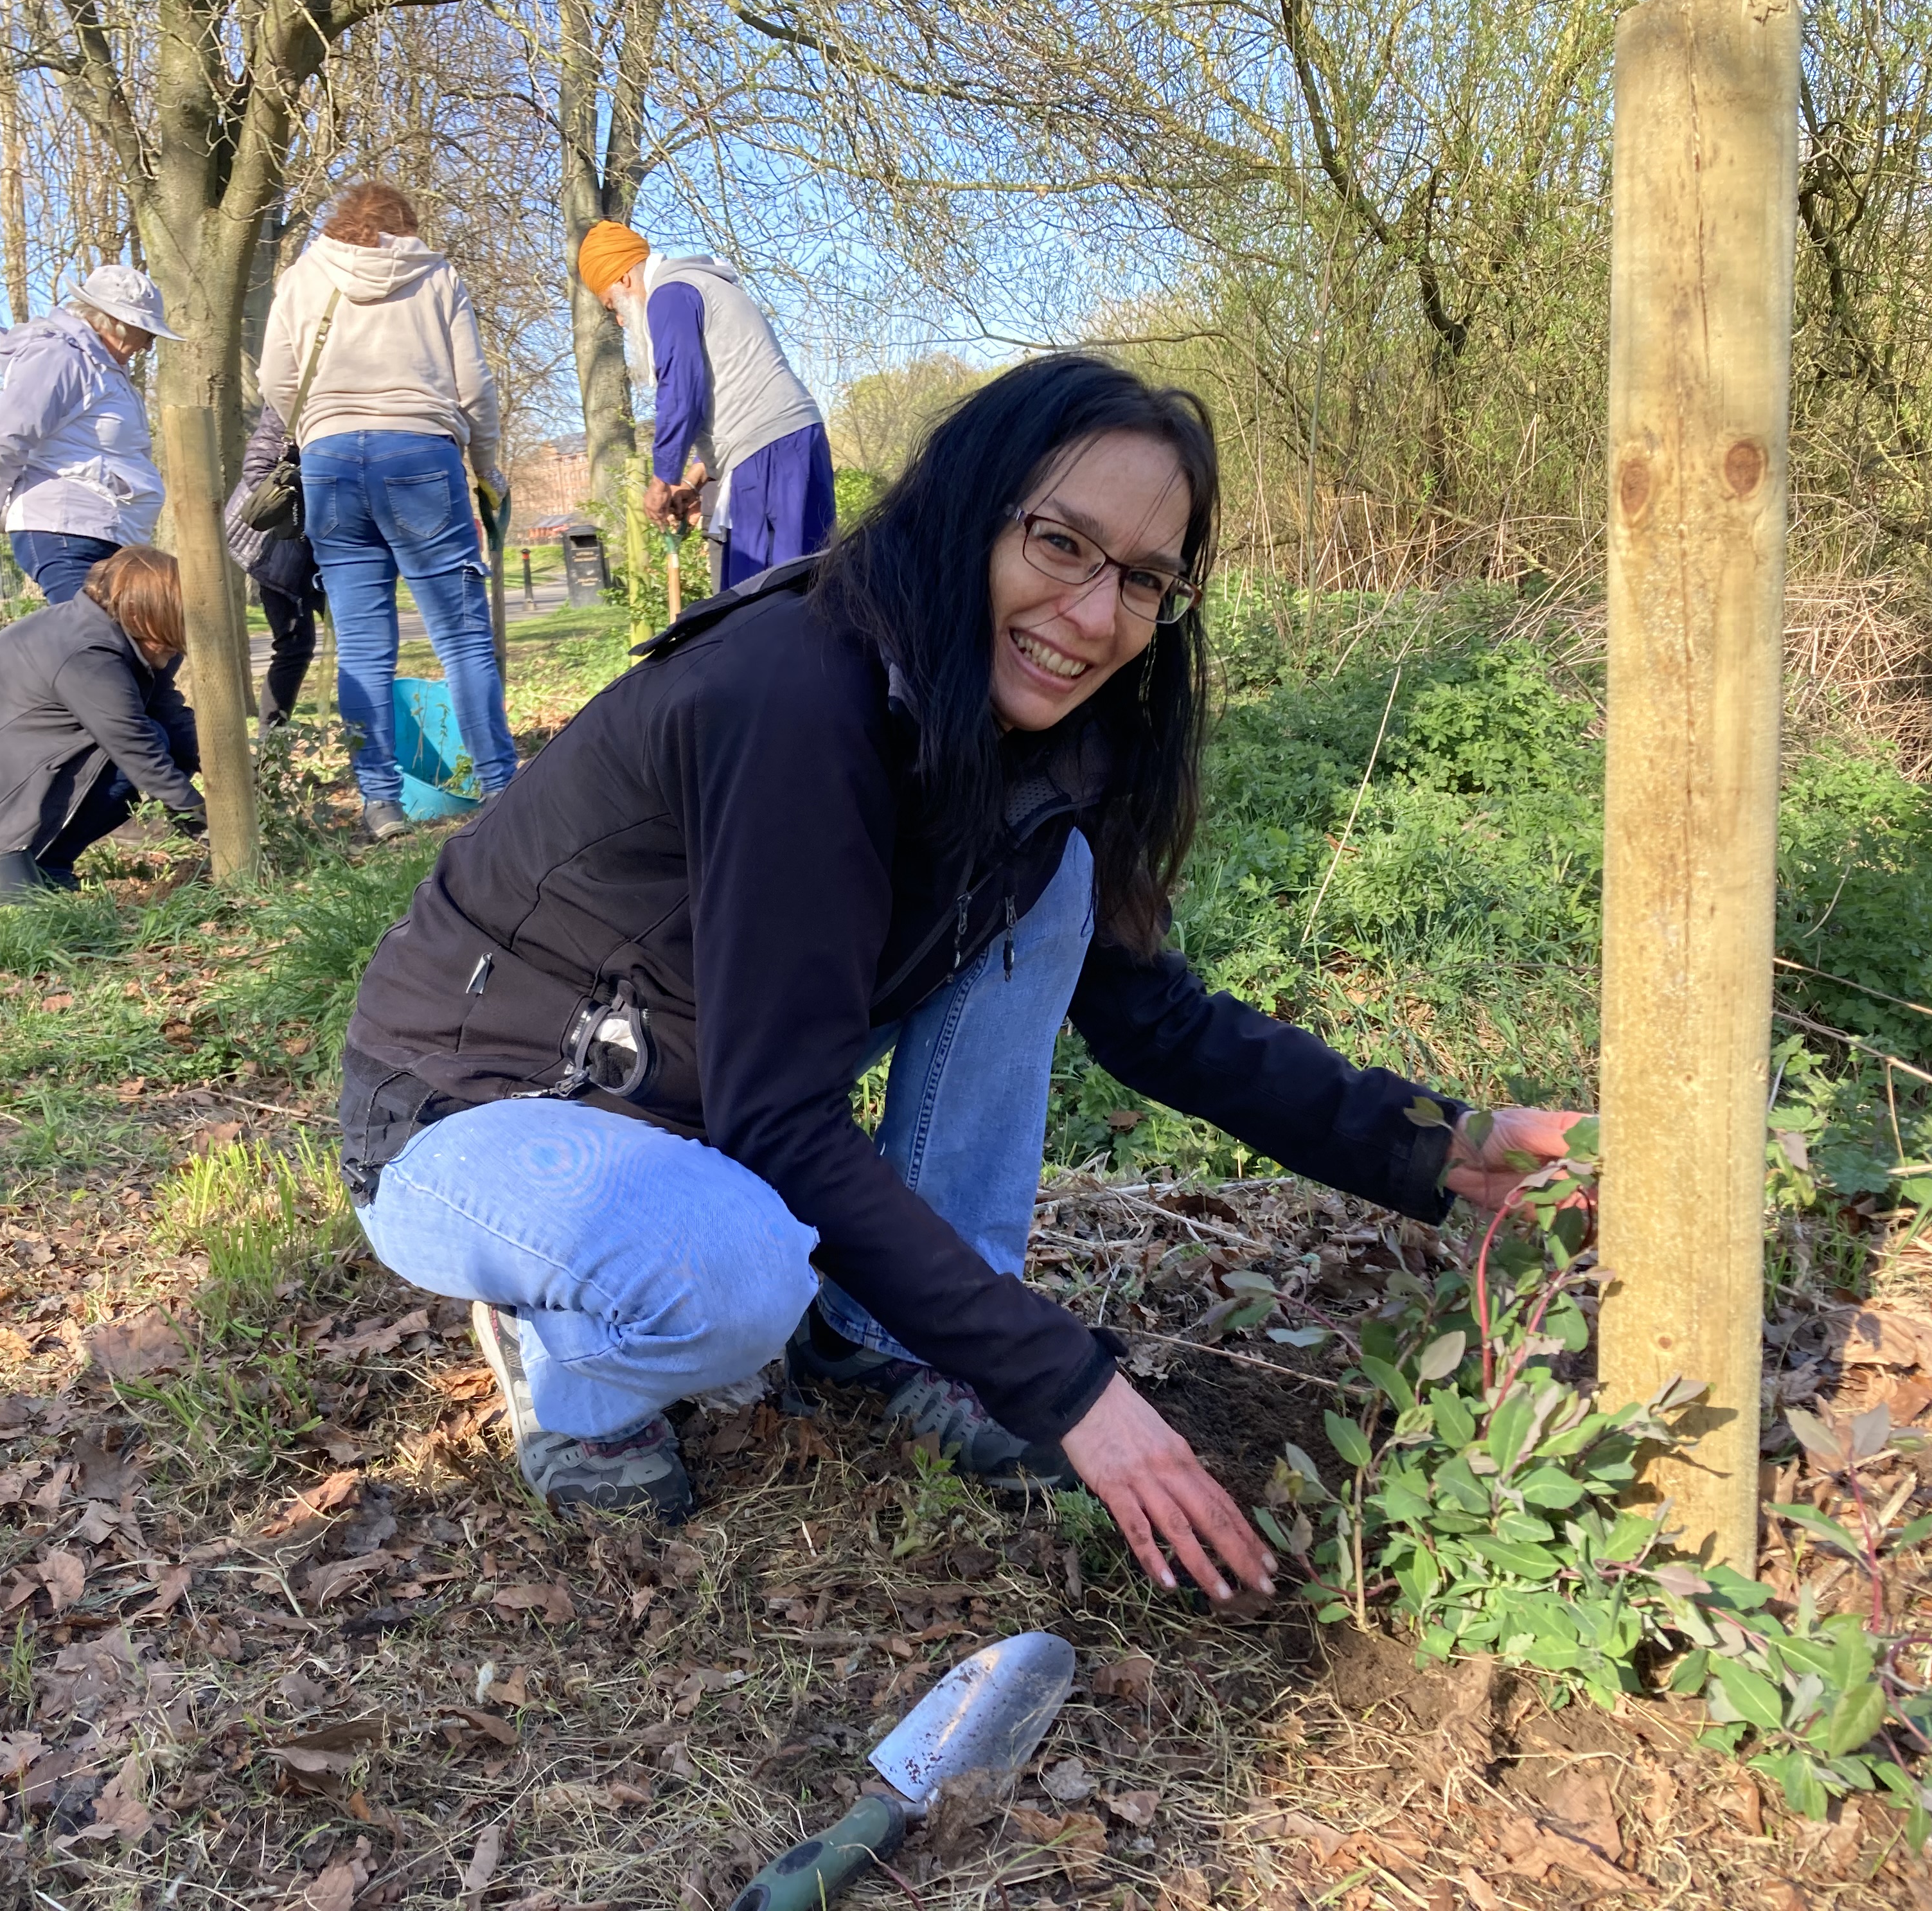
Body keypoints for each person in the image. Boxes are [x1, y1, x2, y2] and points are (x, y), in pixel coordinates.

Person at [334, 355, 1580, 1601]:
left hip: (695, 1100)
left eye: (1144, 579)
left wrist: (1430, 1140)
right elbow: (784, 1122)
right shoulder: (796, 696)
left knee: (1060, 889)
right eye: (1059, 544)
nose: (1096, 617)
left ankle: (888, 1338)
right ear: (965, 515)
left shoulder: (1035, 738)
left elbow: (1147, 1015)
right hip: (473, 1102)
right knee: (732, 1272)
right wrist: (1069, 1384)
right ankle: (572, 1367)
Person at [259, 181, 516, 842]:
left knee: (365, 648)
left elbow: (274, 377)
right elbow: (474, 388)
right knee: (461, 637)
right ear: (407, 228)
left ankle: (381, 803)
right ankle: (499, 785)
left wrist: (313, 427)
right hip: (420, 454)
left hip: (331, 462)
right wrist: (486, 468)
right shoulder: (436, 276)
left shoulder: (304, 276)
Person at [0, 545, 205, 910]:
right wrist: (209, 829)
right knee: (143, 748)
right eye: (170, 631)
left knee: (161, 736)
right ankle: (43, 868)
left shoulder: (109, 635)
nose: (175, 649)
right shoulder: (88, 653)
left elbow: (172, 716)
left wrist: (236, 772)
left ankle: (44, 861)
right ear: (142, 615)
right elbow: (139, 751)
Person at [578, 220, 835, 591]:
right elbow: (731, 390)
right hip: (793, 442)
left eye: (611, 305)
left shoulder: (669, 295)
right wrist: (696, 477)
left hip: (768, 455)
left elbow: (682, 391)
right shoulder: (699, 285)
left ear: (625, 279)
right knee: (810, 590)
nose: (619, 319)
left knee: (760, 603)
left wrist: (662, 479)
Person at [0, 264, 176, 606]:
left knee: (145, 649)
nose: (149, 347)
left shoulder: (101, 365)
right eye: (147, 334)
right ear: (116, 323)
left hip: (104, 535)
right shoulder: (60, 357)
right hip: (69, 536)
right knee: (98, 649)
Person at [225, 402, 324, 727]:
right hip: (280, 546)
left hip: (327, 541)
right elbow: (258, 470)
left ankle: (366, 752)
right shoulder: (291, 395)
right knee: (295, 644)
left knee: (360, 640)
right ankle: (271, 757)